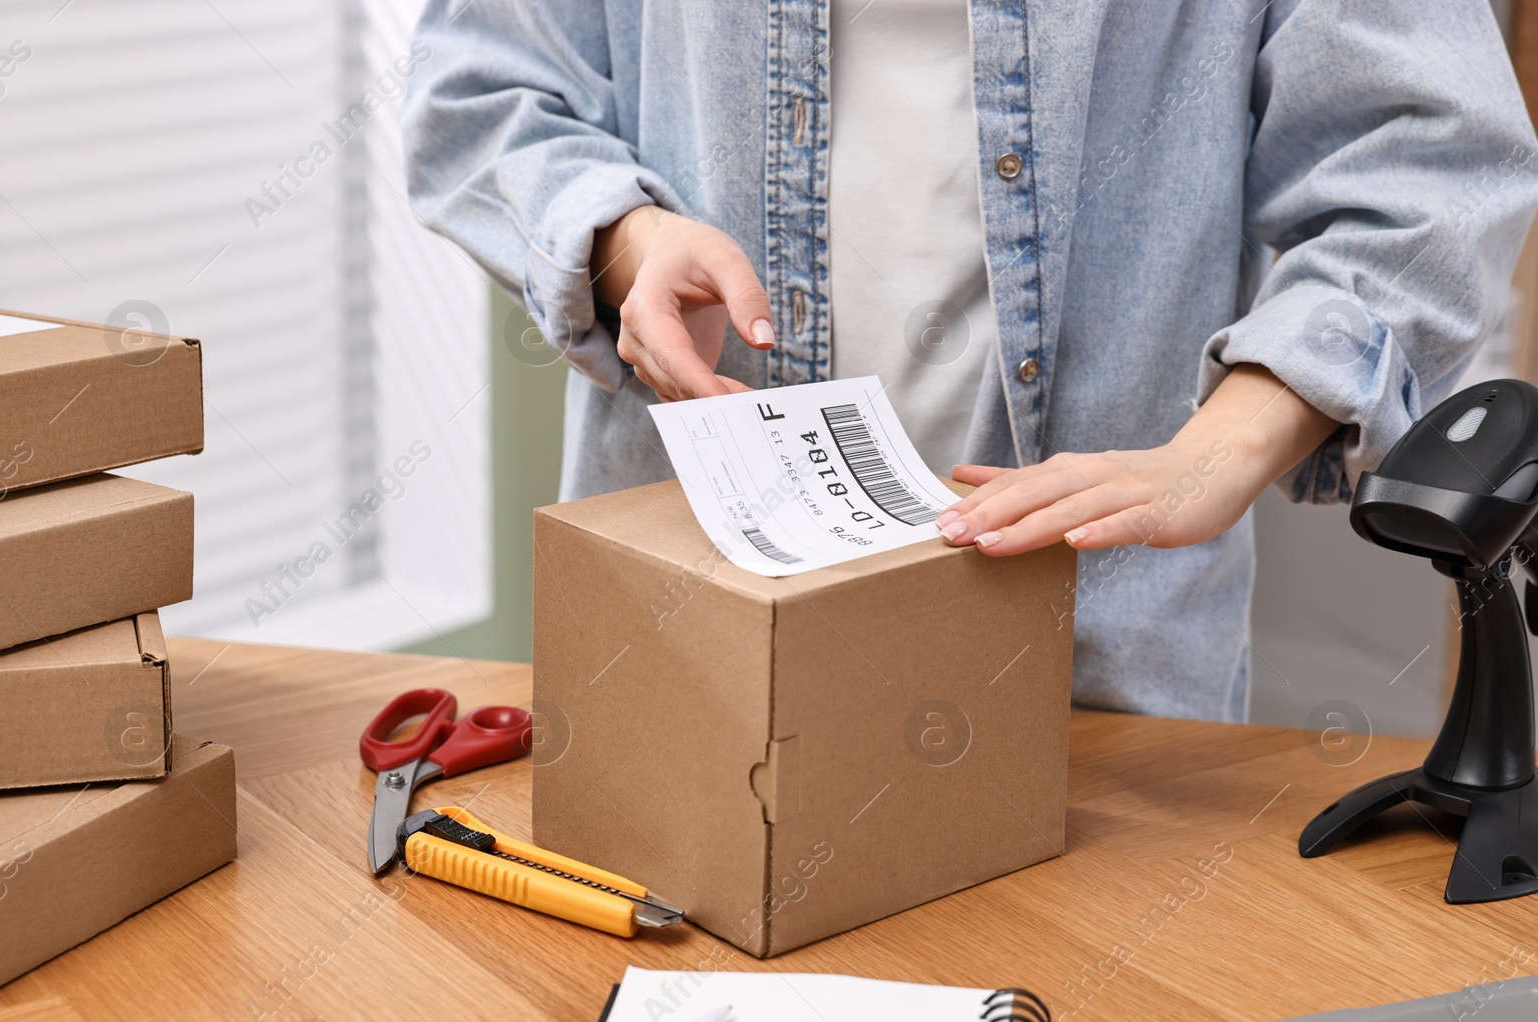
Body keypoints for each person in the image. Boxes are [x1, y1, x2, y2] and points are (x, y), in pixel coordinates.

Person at [403, 1, 1538, 722]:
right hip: (690, 618)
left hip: (1096, 653)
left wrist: (1216, 450)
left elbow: (1433, 159)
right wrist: (625, 241)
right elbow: (482, 84)